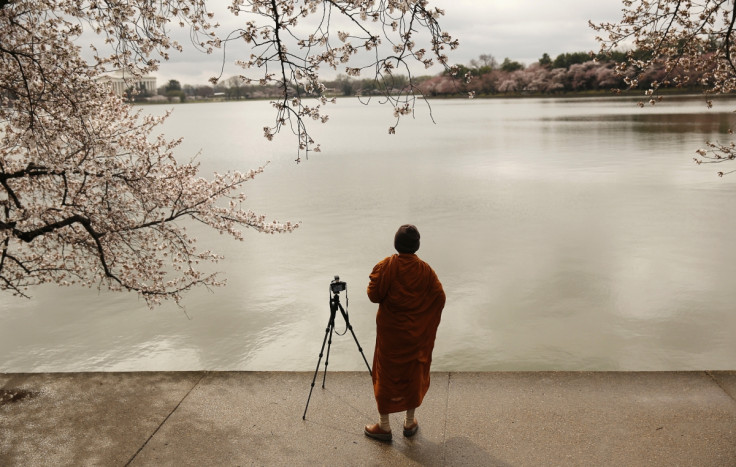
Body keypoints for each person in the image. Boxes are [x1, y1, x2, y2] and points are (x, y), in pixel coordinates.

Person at [364, 224, 446, 441]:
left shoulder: (386, 266)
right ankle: (409, 424)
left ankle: (384, 426)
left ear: (396, 244)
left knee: (385, 374)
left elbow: (373, 295)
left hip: (391, 334)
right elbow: (440, 297)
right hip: (415, 335)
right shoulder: (426, 271)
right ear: (417, 246)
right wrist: (424, 321)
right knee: (413, 374)